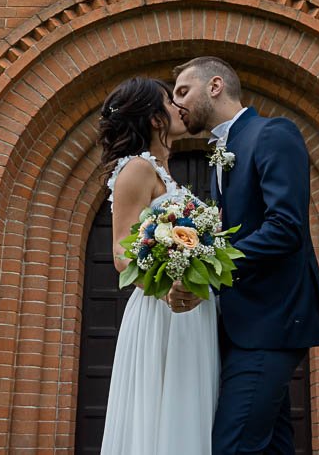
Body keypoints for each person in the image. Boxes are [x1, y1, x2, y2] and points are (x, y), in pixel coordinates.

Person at [170, 56, 319, 455]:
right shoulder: (222, 152)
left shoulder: (273, 133)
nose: (177, 104)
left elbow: (286, 228)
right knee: (272, 445)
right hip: (243, 325)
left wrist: (209, 266)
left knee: (233, 444)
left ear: (215, 86)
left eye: (182, 91)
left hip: (271, 321)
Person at [97, 76, 219, 455]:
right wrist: (167, 288)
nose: (179, 107)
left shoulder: (164, 173)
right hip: (164, 310)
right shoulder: (136, 169)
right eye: (170, 101)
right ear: (154, 118)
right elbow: (121, 252)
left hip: (192, 312)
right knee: (163, 415)